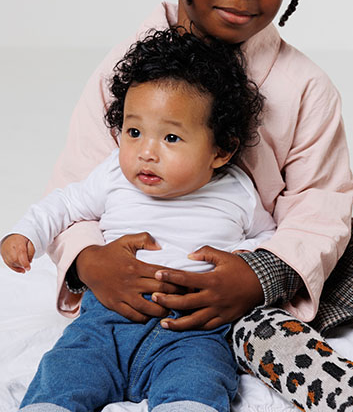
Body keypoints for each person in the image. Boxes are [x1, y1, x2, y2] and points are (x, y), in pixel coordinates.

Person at [16, 0, 353, 410]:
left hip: (244, 265)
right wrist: (89, 262)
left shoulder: (305, 87)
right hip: (141, 275)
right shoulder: (125, 71)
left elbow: (319, 201)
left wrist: (257, 275)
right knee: (74, 361)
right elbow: (76, 183)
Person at [1, 28, 277, 412]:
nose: (146, 152)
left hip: (192, 331)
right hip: (107, 321)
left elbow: (269, 240)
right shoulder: (113, 176)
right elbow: (64, 203)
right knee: (65, 368)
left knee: (200, 378)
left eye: (171, 138)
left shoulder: (238, 193)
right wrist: (25, 233)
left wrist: (239, 256)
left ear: (221, 149)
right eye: (134, 132)